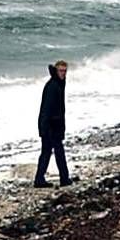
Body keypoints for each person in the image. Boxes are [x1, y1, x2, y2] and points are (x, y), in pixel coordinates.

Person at [35, 60, 70, 188]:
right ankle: (63, 178)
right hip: (50, 125)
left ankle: (40, 179)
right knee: (53, 151)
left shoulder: (60, 83)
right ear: (56, 71)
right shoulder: (52, 86)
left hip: (55, 124)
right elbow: (46, 109)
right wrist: (44, 128)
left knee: (49, 151)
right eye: (61, 71)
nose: (63, 73)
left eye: (65, 71)